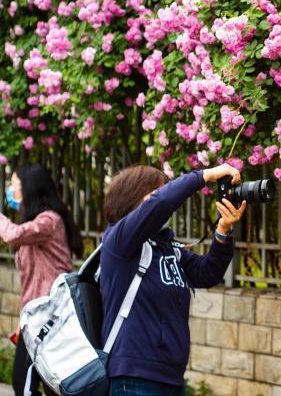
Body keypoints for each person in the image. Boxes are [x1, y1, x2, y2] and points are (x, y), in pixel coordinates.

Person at [99, 164, 247, 395]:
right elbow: (161, 203)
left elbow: (207, 273)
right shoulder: (120, 242)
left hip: (170, 377)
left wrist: (223, 230)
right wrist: (204, 175)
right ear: (133, 198)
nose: (166, 206)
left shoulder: (166, 248)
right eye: (156, 191)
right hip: (134, 377)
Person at [0, 163, 84, 396]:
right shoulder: (38, 223)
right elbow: (32, 280)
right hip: (36, 316)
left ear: (30, 187)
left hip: (50, 316)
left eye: (15, 185)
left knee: (33, 384)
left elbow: (12, 234)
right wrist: (22, 319)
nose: (11, 191)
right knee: (35, 383)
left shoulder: (49, 221)